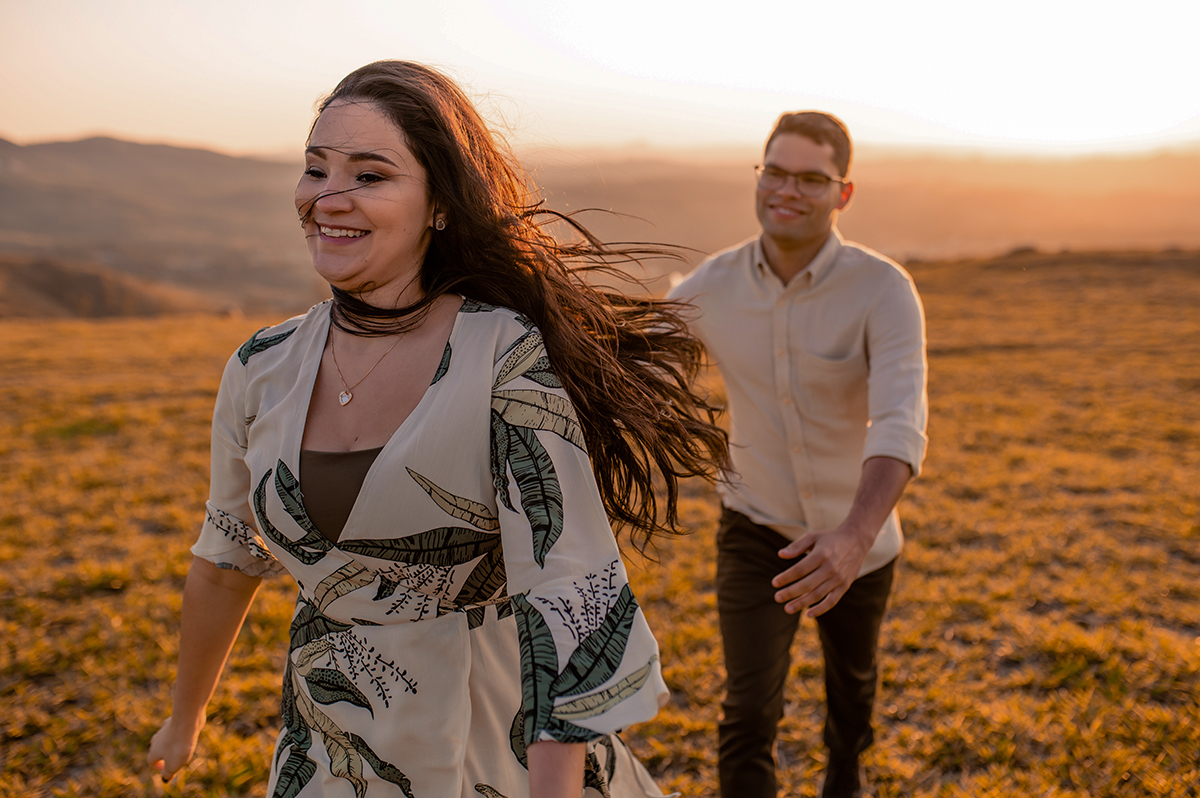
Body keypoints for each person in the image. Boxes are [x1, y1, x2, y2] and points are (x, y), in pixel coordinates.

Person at [147, 60, 728, 798]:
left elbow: (566, 593)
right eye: (316, 169)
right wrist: (186, 717)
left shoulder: (504, 354)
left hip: (492, 747)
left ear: (440, 207)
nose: (327, 197)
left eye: (369, 175)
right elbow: (226, 557)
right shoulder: (261, 364)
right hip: (330, 750)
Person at [666, 112, 928, 798]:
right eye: (776, 172)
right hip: (756, 529)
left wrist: (854, 537)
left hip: (859, 535)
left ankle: (846, 773)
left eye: (811, 179)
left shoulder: (883, 290)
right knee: (748, 711)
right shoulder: (711, 285)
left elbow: (900, 420)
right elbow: (639, 357)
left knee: (853, 689)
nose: (788, 189)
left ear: (844, 193)